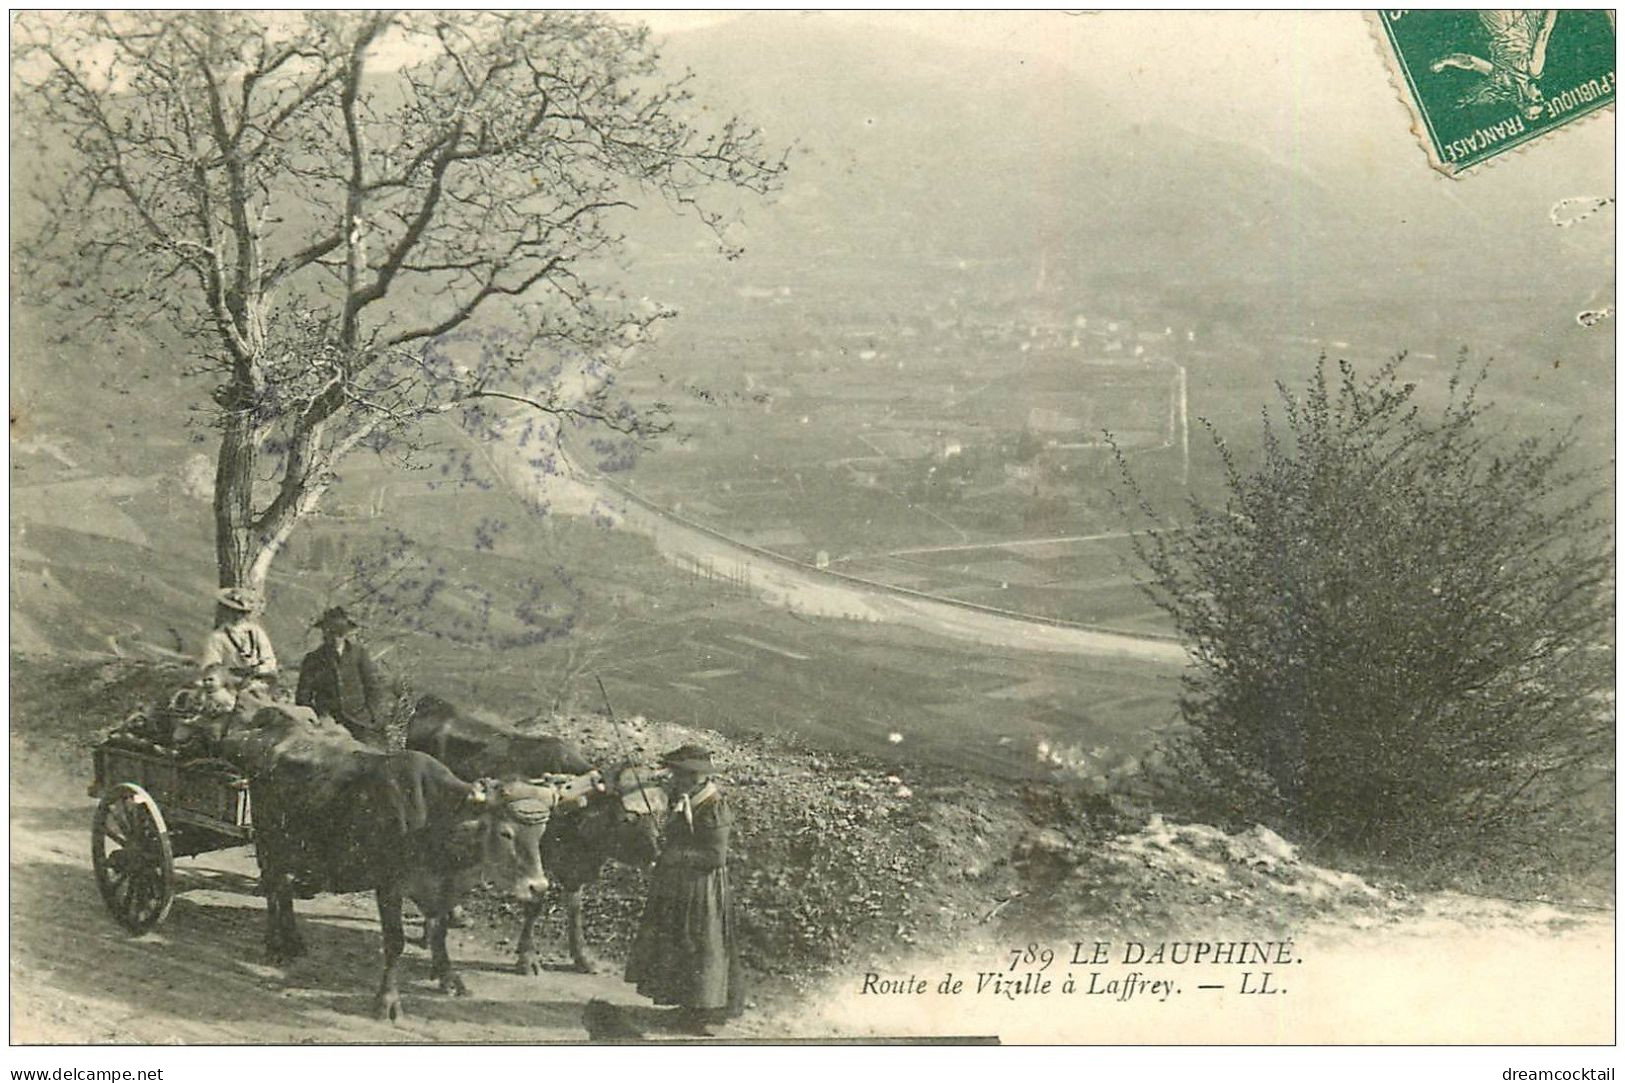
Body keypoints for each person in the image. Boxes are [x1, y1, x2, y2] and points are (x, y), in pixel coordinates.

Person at [624, 744, 745, 1035]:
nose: (673, 779)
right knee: (681, 942)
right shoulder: (687, 799)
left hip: (702, 888)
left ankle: (703, 1013)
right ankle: (688, 1005)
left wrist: (672, 856)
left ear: (695, 776)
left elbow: (715, 857)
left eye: (678, 774)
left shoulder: (714, 806)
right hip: (681, 885)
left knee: (702, 945)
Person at [295, 606, 387, 747]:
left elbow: (373, 687)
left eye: (339, 632)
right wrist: (319, 716)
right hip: (328, 724)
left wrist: (372, 714)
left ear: (346, 633)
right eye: (330, 632)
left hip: (360, 722)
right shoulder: (313, 659)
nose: (334, 637)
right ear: (324, 633)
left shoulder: (359, 654)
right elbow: (303, 696)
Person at [199, 587, 278, 690]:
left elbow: (269, 660)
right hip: (230, 685)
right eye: (233, 611)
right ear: (227, 611)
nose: (237, 616)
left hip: (257, 683)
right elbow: (210, 667)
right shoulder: (217, 637)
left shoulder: (256, 632)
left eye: (242, 612)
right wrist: (230, 676)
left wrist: (258, 669)